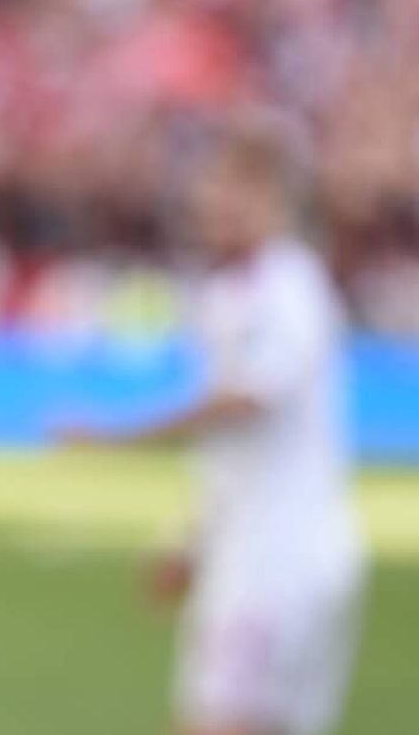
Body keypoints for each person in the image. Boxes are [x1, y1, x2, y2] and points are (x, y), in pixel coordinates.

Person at [60, 125, 364, 735]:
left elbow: (246, 401)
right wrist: (195, 543)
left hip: (277, 558)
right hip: (259, 550)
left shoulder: (285, 286)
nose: (215, 203)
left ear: (277, 202)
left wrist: (118, 436)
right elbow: (238, 450)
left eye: (236, 188)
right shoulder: (230, 290)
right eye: (214, 187)